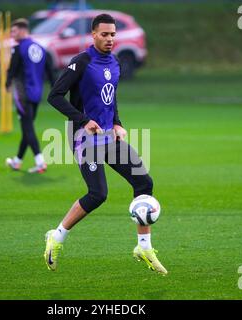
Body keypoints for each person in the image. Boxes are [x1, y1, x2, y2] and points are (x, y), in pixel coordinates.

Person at [44, 14, 167, 274]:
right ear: (93, 35)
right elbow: (54, 96)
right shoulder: (82, 61)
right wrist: (83, 119)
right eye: (104, 34)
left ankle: (143, 247)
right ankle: (56, 236)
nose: (110, 39)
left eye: (113, 34)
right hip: (83, 136)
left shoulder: (115, 61)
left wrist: (118, 122)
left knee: (144, 182)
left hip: (109, 135)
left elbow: (110, 99)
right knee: (98, 194)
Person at [5, 18, 55, 173]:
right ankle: (17, 161)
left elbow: (12, 69)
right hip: (36, 93)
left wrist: (7, 83)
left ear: (22, 30)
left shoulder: (18, 48)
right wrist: (55, 87)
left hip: (22, 93)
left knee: (27, 127)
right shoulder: (41, 48)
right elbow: (50, 71)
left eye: (14, 31)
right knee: (28, 128)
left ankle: (40, 161)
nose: (12, 35)